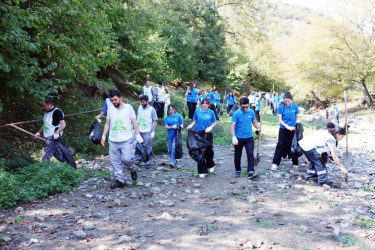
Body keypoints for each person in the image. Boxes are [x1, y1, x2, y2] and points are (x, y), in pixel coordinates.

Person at [101, 90, 144, 189]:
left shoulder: (128, 108)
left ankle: (132, 168)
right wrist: (104, 136)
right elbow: (107, 123)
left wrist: (138, 135)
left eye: (115, 100)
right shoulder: (111, 109)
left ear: (120, 98)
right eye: (112, 100)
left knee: (127, 159)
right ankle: (119, 180)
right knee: (115, 161)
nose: (114, 102)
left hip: (126, 139)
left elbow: (135, 123)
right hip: (113, 140)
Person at [231, 97, 261, 179]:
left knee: (250, 154)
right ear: (240, 105)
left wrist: (258, 128)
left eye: (246, 107)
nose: (245, 108)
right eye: (243, 107)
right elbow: (232, 126)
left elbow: (254, 122)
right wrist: (233, 137)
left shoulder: (251, 112)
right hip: (238, 138)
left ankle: (250, 171)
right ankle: (238, 170)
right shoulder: (236, 113)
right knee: (237, 155)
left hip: (249, 137)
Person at [187, 97, 216, 178]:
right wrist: (191, 125)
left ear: (209, 105)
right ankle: (202, 171)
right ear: (201, 104)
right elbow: (194, 121)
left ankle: (210, 164)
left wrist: (210, 127)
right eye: (204, 103)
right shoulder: (197, 111)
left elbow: (214, 122)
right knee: (199, 153)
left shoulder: (211, 112)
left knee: (209, 152)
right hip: (199, 134)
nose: (205, 105)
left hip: (208, 133)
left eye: (207, 103)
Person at [271, 92, 300, 171]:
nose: (287, 102)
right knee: (280, 144)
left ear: (291, 100)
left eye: (288, 101)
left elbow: (297, 117)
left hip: (293, 128)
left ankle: (295, 163)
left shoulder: (295, 106)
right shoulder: (281, 107)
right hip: (283, 128)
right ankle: (275, 163)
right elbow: (280, 119)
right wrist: (287, 126)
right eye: (285, 101)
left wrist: (297, 122)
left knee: (293, 145)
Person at [136, 95, 158, 169]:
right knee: (138, 145)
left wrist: (153, 132)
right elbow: (136, 118)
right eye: (141, 102)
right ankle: (139, 158)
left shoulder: (152, 109)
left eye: (143, 102)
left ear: (147, 101)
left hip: (147, 130)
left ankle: (149, 160)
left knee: (147, 146)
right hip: (139, 130)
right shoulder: (139, 108)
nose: (142, 103)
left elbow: (155, 121)